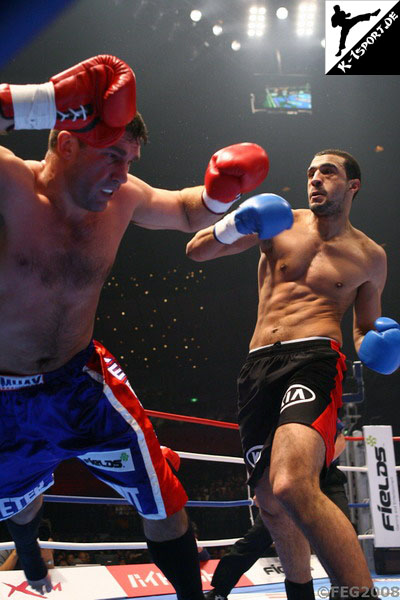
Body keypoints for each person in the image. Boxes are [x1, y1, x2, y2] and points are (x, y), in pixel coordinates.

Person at [0, 55, 270, 596]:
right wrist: (39, 101)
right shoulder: (11, 185)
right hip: (3, 391)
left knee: (162, 495)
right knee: (20, 499)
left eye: (131, 159)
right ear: (68, 142)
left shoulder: (123, 198)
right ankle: (31, 562)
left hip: (81, 383)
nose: (122, 173)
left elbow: (190, 211)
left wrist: (225, 195)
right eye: (112, 155)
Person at [187, 148, 400, 599]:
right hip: (258, 364)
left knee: (291, 482)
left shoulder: (370, 256)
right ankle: (299, 593)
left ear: (352, 185)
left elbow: (363, 329)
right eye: (310, 172)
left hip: (316, 359)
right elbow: (197, 250)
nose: (315, 179)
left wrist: (380, 347)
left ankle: (359, 594)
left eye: (328, 171)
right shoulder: (278, 221)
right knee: (271, 503)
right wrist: (234, 222)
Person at [205, 428, 351, 600]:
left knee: (343, 540)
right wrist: (264, 487)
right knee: (258, 537)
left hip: (324, 478)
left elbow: (340, 439)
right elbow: (263, 452)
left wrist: (310, 468)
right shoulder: (271, 413)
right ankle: (219, 592)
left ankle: (342, 594)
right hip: (286, 481)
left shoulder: (319, 403)